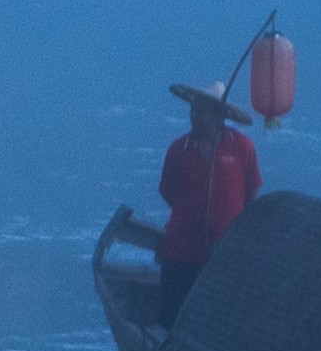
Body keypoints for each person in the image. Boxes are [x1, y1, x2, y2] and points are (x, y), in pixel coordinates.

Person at [105, 79, 258, 318]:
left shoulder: (241, 147)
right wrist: (192, 215)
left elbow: (252, 191)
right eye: (193, 110)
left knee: (218, 315)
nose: (195, 116)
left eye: (202, 112)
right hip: (181, 250)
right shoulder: (179, 149)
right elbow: (168, 191)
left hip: (222, 253)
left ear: (219, 115)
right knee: (173, 313)